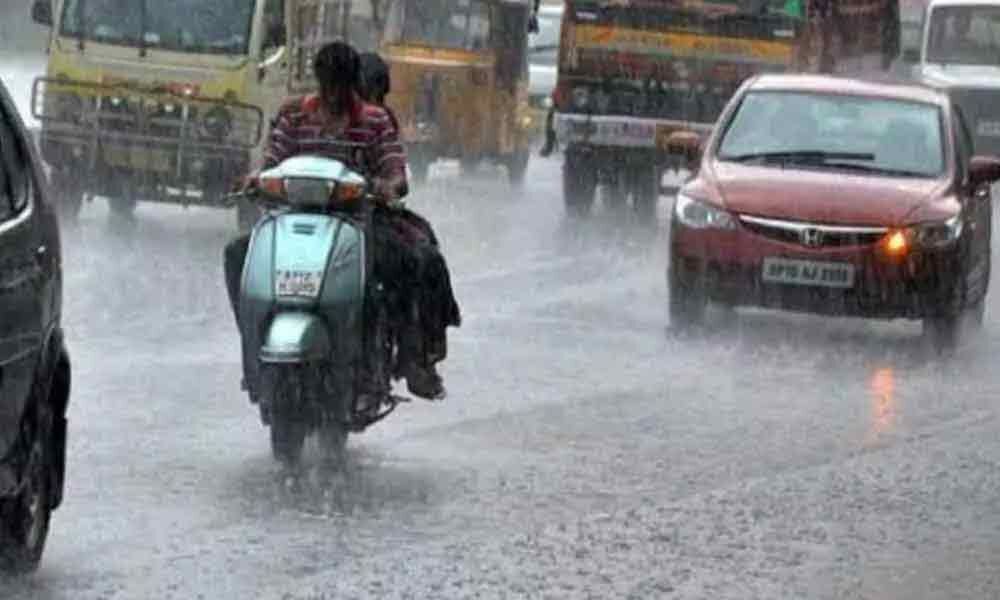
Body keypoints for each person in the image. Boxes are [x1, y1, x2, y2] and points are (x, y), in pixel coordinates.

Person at [223, 42, 447, 400]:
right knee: (237, 256)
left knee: (405, 264)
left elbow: (394, 170)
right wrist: (254, 180)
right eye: (327, 84)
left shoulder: (373, 121)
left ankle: (407, 357)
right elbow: (272, 161)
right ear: (318, 80)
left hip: (357, 222)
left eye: (340, 85)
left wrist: (388, 186)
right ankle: (254, 348)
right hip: (293, 220)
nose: (333, 94)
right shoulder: (294, 116)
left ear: (352, 83)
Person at [357, 51, 462, 391]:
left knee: (424, 257)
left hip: (369, 215)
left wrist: (385, 187)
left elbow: (395, 173)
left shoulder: (380, 121)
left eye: (371, 91)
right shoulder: (307, 116)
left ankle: (417, 354)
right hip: (317, 215)